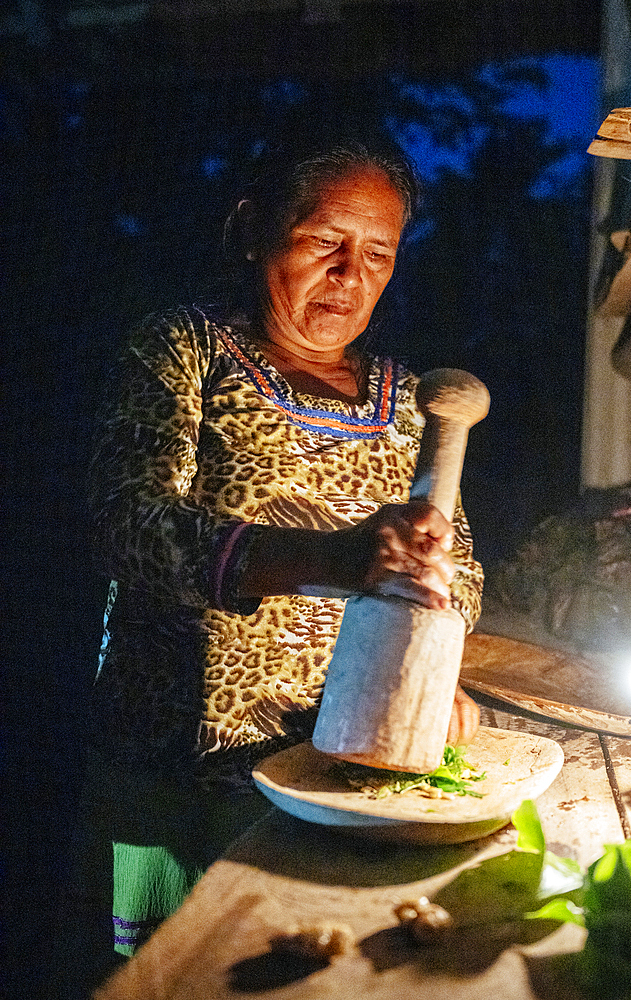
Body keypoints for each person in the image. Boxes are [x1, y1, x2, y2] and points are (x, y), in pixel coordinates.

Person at [67, 139, 484, 977]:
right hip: (174, 776)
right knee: (156, 972)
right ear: (254, 229)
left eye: (378, 254)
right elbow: (126, 523)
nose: (349, 274)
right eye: (323, 240)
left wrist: (439, 658)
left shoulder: (412, 404)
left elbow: (461, 569)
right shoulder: (184, 350)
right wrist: (333, 555)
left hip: (337, 782)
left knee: (303, 971)